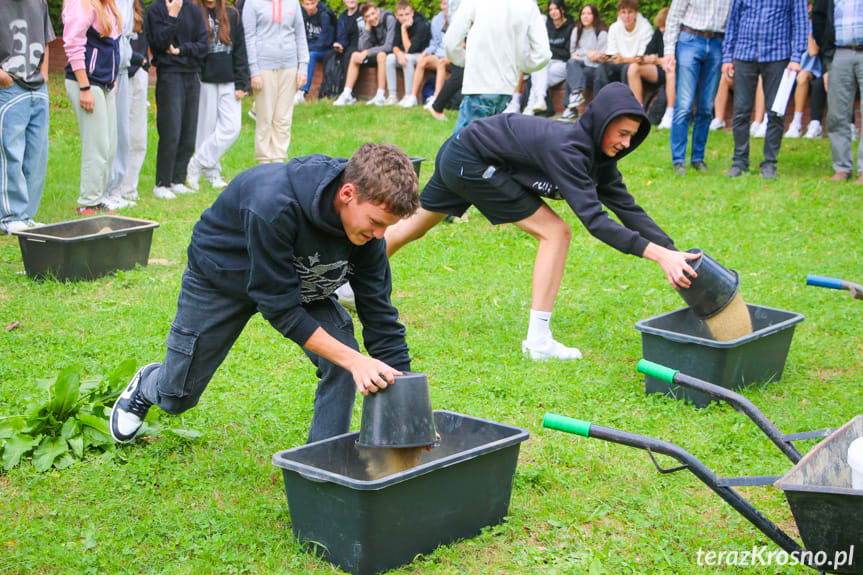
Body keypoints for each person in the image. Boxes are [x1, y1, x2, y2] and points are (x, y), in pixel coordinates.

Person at [110, 143, 420, 445]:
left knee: (340, 359)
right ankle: (148, 384)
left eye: (386, 227)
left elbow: (379, 315)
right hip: (223, 278)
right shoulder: (273, 203)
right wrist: (356, 360)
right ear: (347, 193)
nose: (380, 236)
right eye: (376, 223)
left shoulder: (368, 236)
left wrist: (407, 407)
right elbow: (281, 310)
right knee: (176, 398)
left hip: (296, 281)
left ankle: (323, 465)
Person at [383, 83, 699, 361]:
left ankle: (346, 282)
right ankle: (538, 341)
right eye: (623, 134)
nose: (626, 144)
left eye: (633, 137)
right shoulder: (569, 150)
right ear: (602, 124)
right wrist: (659, 257)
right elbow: (596, 221)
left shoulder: (600, 161)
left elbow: (629, 210)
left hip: (461, 150)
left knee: (414, 225)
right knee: (556, 233)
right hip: (471, 159)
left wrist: (674, 253)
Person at [722, 0, 808, 180]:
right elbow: (733, 22)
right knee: (740, 112)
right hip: (744, 53)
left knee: (776, 112)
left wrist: (796, 57)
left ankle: (769, 163)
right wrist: (727, 57)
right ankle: (739, 161)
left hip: (778, 55)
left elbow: (800, 23)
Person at [444, 0, 550, 134]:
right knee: (487, 145)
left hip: (479, 83)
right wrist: (519, 64)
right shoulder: (528, 4)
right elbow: (543, 54)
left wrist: (465, 60)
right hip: (506, 89)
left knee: (460, 149)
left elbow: (450, 41)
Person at [0, 0, 55, 234]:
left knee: (37, 154)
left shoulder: (38, 1)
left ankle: (26, 215)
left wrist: (44, 75)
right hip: (8, 86)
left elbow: (46, 40)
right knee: (9, 152)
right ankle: (9, 216)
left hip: (37, 86)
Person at [63, 0, 123, 215]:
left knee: (109, 146)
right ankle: (87, 202)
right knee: (96, 146)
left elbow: (113, 47)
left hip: (105, 83)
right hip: (87, 83)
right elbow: (73, 44)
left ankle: (98, 198)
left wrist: (113, 80)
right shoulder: (80, 4)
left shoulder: (108, 5)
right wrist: (85, 86)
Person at [147, 0, 208, 198]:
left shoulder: (193, 10)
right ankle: (162, 183)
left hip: (192, 73)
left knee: (189, 131)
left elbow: (203, 45)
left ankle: (178, 179)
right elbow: (159, 42)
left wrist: (181, 51)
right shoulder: (157, 10)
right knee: (170, 128)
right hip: (169, 73)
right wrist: (172, 16)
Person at [662, 0, 731, 175]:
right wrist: (669, 51)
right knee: (684, 104)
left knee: (707, 107)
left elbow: (732, 22)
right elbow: (673, 17)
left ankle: (697, 158)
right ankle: (678, 160)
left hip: (717, 42)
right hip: (689, 39)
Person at [187, 0, 249, 191]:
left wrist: (241, 82)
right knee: (205, 130)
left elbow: (240, 50)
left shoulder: (232, 14)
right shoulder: (194, 12)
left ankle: (197, 163)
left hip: (229, 81)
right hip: (204, 80)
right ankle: (211, 173)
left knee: (231, 127)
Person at [243, 0, 308, 163]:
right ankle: (264, 160)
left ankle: (279, 160)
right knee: (265, 118)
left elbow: (300, 34)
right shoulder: (252, 3)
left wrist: (303, 67)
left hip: (290, 66)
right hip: (264, 67)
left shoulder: (293, 3)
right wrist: (254, 71)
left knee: (283, 118)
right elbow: (248, 38)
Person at [813, 0, 863, 182]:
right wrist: (827, 55)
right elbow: (819, 17)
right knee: (837, 114)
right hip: (839, 54)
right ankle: (842, 167)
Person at [116, 0, 150, 202]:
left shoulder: (138, 8)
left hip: (138, 75)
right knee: (120, 137)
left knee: (138, 138)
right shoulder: (110, 6)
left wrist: (143, 64)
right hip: (119, 76)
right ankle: (115, 189)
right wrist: (139, 59)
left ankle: (129, 189)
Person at [333, 2, 396, 106]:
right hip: (375, 53)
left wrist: (367, 52)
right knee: (354, 55)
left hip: (391, 54)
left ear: (377, 10)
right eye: (367, 16)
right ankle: (347, 94)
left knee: (381, 55)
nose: (372, 18)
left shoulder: (389, 18)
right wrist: (367, 29)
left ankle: (380, 96)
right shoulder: (368, 23)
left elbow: (389, 46)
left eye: (373, 13)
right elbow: (361, 47)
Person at [523, 0, 574, 116]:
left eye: (556, 9)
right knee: (539, 68)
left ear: (562, 10)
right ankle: (539, 101)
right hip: (548, 63)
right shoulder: (547, 25)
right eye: (550, 10)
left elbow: (567, 53)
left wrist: (551, 50)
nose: (553, 12)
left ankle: (531, 105)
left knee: (538, 79)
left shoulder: (570, 26)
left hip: (563, 65)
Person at [626, 7, 674, 128]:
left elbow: (677, 60)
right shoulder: (658, 32)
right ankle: (638, 108)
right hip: (659, 69)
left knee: (670, 69)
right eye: (660, 27)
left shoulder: (679, 35)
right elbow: (648, 52)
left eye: (664, 26)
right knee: (634, 68)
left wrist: (657, 60)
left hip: (675, 71)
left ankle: (669, 113)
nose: (662, 30)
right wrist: (646, 59)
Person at [594, 0, 653, 95]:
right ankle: (600, 101)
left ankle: (625, 104)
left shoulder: (645, 28)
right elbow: (612, 54)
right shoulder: (614, 28)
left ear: (636, 13)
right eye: (623, 12)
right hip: (620, 63)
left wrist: (623, 60)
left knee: (627, 68)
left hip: (637, 65)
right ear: (619, 14)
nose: (626, 16)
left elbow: (642, 58)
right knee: (602, 66)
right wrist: (606, 57)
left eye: (630, 12)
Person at [561, 3, 608, 120]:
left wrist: (582, 54)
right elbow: (572, 53)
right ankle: (576, 95)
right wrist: (587, 53)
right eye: (583, 14)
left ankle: (570, 108)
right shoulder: (576, 31)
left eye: (589, 14)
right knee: (572, 64)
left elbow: (600, 57)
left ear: (595, 16)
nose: (585, 16)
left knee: (573, 72)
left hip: (594, 68)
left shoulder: (601, 32)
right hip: (580, 65)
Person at [387, 1, 431, 107]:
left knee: (407, 58)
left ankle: (409, 96)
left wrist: (403, 30)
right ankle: (392, 96)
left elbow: (410, 50)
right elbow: (394, 45)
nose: (404, 18)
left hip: (422, 55)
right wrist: (398, 54)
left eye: (407, 14)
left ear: (412, 13)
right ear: (396, 16)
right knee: (390, 58)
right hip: (406, 55)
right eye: (401, 15)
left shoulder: (421, 24)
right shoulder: (398, 22)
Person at [406, 0, 449, 109]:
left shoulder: (459, 18)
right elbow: (434, 43)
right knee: (422, 61)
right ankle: (413, 97)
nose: (445, 6)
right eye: (443, 3)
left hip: (452, 55)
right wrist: (424, 53)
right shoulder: (436, 19)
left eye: (448, 3)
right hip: (439, 53)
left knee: (441, 62)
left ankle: (436, 98)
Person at [784, 33, 824, 138]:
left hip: (814, 69)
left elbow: (813, 51)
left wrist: (809, 33)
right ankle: (765, 121)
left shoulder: (813, 26)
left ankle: (796, 123)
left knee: (802, 77)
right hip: (793, 67)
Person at [297, 0, 336, 104]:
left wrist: (304, 49)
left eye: (312, 4)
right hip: (308, 48)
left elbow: (323, 42)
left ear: (317, 2)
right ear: (302, 4)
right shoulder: (300, 15)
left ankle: (302, 92)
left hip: (324, 50)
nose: (310, 7)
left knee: (311, 55)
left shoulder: (324, 15)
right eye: (307, 4)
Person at [332, 0, 365, 96]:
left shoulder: (362, 12)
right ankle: (331, 90)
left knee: (348, 55)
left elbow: (365, 34)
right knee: (329, 55)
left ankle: (348, 93)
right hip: (348, 46)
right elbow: (342, 36)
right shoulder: (343, 17)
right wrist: (340, 45)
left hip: (361, 46)